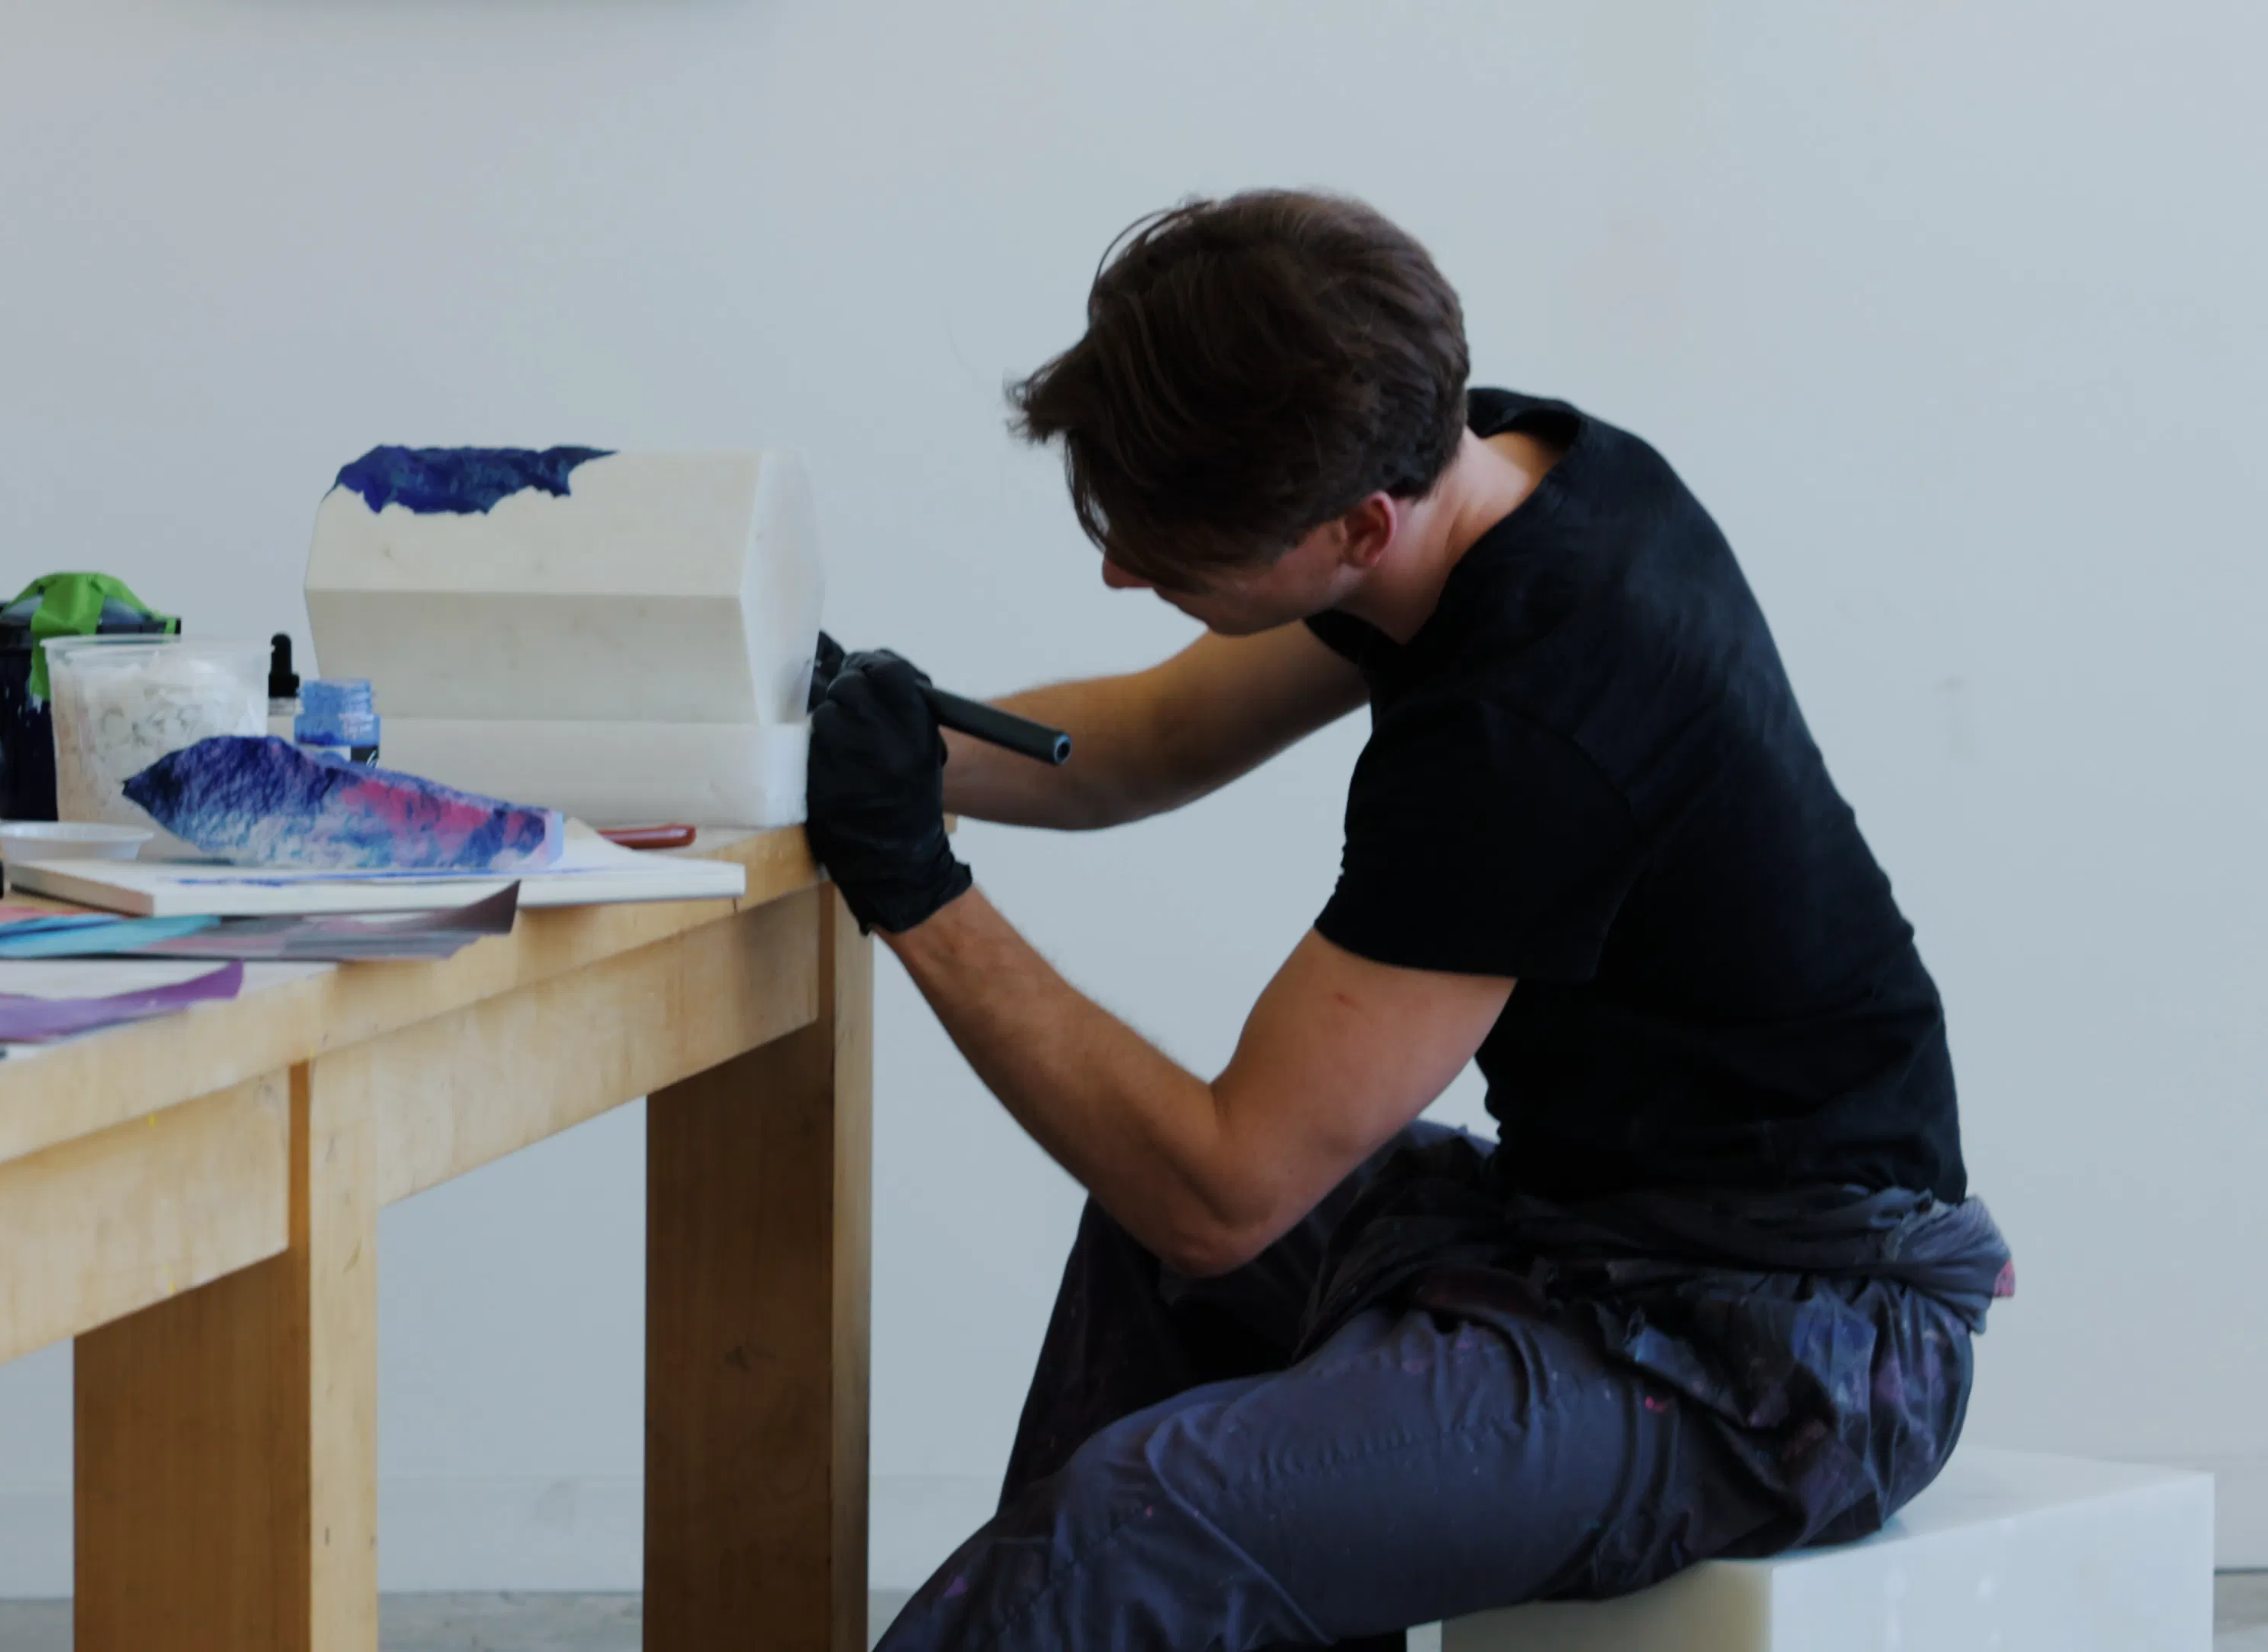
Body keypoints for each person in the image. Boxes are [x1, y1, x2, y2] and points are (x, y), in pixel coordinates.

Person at [805, 189, 2011, 1652]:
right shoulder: (1496, 470)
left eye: (1171, 549)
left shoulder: (1536, 721)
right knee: (1154, 1261)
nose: (1124, 572)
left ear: (1357, 526)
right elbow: (1149, 740)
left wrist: (917, 892)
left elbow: (1225, 1183)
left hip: (1774, 1345)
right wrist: (856, 742)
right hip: (1606, 1225)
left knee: (1132, 1521)